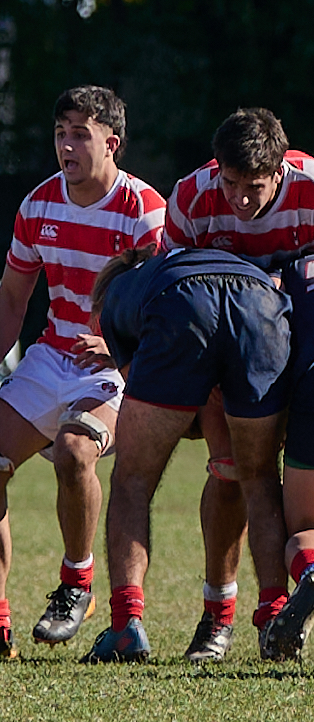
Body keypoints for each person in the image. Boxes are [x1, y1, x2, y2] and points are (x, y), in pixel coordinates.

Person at [0, 86, 166, 659]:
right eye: (60, 132)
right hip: (53, 354)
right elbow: (14, 296)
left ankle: (77, 583)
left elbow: (165, 303)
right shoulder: (38, 205)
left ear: (112, 143)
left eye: (79, 134)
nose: (66, 145)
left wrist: (117, 347)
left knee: (74, 452)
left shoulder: (145, 210)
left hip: (118, 366)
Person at [82, 246, 291, 663]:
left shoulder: (118, 301)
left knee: (133, 478)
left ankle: (127, 627)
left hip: (182, 302)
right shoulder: (184, 259)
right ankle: (275, 618)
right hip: (259, 298)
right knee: (257, 477)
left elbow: (154, 411)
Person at [162, 107, 314, 662]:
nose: (241, 201)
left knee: (288, 499)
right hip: (227, 360)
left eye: (254, 187)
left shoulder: (312, 186)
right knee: (230, 478)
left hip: (302, 357)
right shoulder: (192, 197)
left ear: (281, 171)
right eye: (230, 183)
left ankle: (274, 614)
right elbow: (174, 297)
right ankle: (216, 620)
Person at [261, 253, 314, 661]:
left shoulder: (294, 267)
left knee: (303, 530)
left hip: (310, 387)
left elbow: (274, 339)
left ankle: (311, 571)